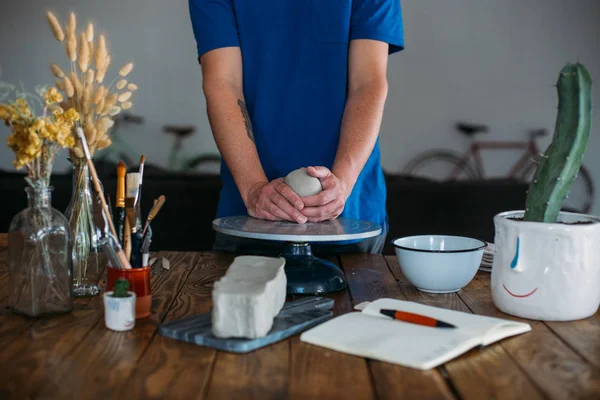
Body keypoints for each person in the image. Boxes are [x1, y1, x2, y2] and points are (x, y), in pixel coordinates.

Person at [188, 0, 404, 255]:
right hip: (249, 217)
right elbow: (223, 83)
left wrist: (342, 185)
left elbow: (368, 83)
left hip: (351, 216)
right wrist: (254, 188)